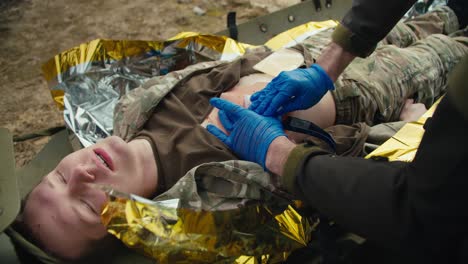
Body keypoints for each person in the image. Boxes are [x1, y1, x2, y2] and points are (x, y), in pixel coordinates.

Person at [8, 5, 467, 262]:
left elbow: (210, 70)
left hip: (309, 57)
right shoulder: (208, 195)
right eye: (88, 206)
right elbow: (330, 177)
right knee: (447, 54)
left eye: (58, 178)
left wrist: (296, 61)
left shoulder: (130, 111)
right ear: (132, 225)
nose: (81, 176)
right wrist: (402, 127)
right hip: (364, 93)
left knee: (417, 21)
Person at [207, 0, 468, 263]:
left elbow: (421, 209)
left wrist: (282, 156)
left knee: (440, 56)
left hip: (360, 98)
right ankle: (454, 13)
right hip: (319, 68)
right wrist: (327, 66)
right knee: (421, 37)